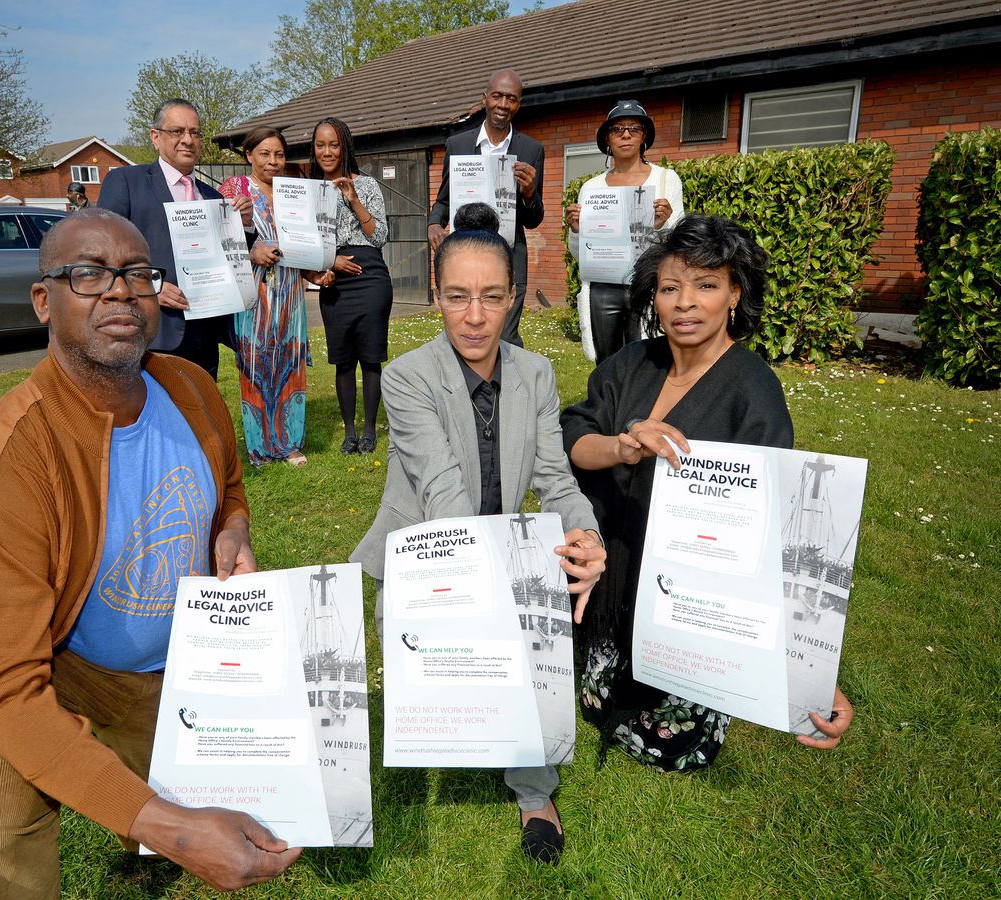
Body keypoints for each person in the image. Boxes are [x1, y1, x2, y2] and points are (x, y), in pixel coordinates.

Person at [0, 209, 301, 897]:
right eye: (89, 274)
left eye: (136, 272)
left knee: (266, 798)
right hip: (55, 662)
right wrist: (172, 827)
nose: (119, 290)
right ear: (45, 300)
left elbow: (231, 489)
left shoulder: (191, 390)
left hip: (184, 670)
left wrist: (233, 529)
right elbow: (5, 683)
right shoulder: (13, 453)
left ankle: (146, 799)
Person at [352, 204, 606, 865]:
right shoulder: (407, 377)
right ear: (436, 295)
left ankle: (534, 792)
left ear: (513, 296)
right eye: (458, 297)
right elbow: (444, 495)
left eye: (491, 297)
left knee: (526, 665)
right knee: (456, 686)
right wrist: (505, 585)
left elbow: (556, 480)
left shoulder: (538, 375)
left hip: (503, 549)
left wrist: (585, 534)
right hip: (431, 556)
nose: (474, 316)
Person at [560, 213, 854, 772]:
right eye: (670, 288)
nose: (685, 303)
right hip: (613, 570)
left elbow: (777, 532)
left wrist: (810, 669)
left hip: (697, 597)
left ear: (735, 294)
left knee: (676, 742)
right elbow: (573, 437)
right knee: (597, 700)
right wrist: (623, 446)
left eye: (706, 285)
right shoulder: (630, 363)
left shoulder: (753, 391)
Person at [99, 98, 251, 377]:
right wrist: (149, 285)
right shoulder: (126, 182)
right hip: (150, 331)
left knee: (199, 415)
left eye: (195, 132)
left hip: (204, 333)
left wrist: (244, 226)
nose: (188, 140)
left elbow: (234, 260)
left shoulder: (213, 196)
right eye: (177, 131)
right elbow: (102, 250)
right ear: (155, 137)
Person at [427, 68, 545, 348]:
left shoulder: (531, 149)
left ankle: (508, 390)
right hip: (465, 253)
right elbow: (444, 199)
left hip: (509, 255)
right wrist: (434, 223)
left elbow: (533, 220)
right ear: (485, 99)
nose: (503, 105)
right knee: (469, 329)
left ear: (518, 104)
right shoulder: (458, 145)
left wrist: (529, 193)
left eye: (511, 99)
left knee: (504, 335)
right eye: (497, 96)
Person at [566, 100, 685, 363]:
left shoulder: (666, 179)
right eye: (617, 129)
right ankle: (606, 404)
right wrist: (576, 230)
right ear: (607, 139)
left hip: (647, 284)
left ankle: (641, 404)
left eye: (634, 128)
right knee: (604, 359)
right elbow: (580, 255)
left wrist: (664, 223)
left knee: (647, 359)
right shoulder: (591, 188)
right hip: (603, 287)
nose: (626, 134)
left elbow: (679, 245)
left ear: (645, 137)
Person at [219, 128, 311, 467]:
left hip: (290, 288)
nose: (273, 161)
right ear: (249, 155)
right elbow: (221, 239)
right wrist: (251, 251)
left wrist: (318, 267)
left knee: (290, 361)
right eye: (265, 154)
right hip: (253, 289)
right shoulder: (235, 189)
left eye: (279, 154)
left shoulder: (294, 191)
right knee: (255, 364)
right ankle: (260, 447)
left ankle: (288, 442)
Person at [307, 117, 392, 455]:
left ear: (345, 147)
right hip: (334, 280)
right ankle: (349, 433)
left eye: (333, 144)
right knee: (343, 360)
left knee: (370, 358)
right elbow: (300, 243)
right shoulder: (306, 191)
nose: (327, 152)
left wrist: (353, 198)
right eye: (320, 145)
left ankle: (369, 430)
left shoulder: (367, 185)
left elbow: (380, 236)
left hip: (370, 277)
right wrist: (330, 262)